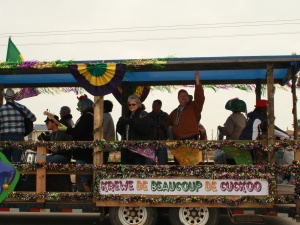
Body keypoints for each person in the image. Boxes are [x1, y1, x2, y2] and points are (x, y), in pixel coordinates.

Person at [167, 71, 205, 164]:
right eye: (180, 96)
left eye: (185, 95)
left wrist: (198, 83)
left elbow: (200, 98)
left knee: (192, 169)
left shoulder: (194, 107)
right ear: (178, 99)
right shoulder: (173, 113)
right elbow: (167, 125)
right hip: (178, 145)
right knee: (179, 170)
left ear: (188, 97)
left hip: (191, 143)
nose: (182, 97)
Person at [58, 94, 94, 192]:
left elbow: (79, 131)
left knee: (83, 171)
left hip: (83, 149)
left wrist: (67, 130)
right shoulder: (90, 115)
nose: (78, 108)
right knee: (85, 170)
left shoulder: (87, 116)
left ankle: (86, 191)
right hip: (85, 149)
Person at [239, 99, 290, 164]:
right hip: (253, 150)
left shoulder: (252, 119)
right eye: (268, 109)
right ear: (264, 109)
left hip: (243, 147)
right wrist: (287, 137)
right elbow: (283, 134)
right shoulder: (263, 119)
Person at [0, 88, 36, 162]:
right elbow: (33, 118)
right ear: (14, 97)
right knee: (17, 160)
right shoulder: (21, 107)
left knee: (6, 161)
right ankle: (17, 173)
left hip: (5, 137)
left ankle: (8, 173)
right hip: (18, 137)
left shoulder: (1, 109)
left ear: (5, 97)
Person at [116, 95, 153, 165]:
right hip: (126, 149)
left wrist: (131, 121)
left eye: (133, 104)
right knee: (126, 171)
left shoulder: (143, 115)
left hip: (139, 150)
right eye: (129, 104)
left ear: (138, 104)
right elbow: (120, 130)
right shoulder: (126, 115)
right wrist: (120, 123)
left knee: (138, 171)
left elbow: (145, 129)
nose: (131, 106)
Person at [148, 99, 169, 164]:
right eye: (153, 105)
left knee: (163, 162)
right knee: (149, 163)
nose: (153, 107)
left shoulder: (165, 116)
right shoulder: (148, 116)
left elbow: (168, 127)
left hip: (161, 142)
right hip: (151, 142)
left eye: (155, 105)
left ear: (160, 106)